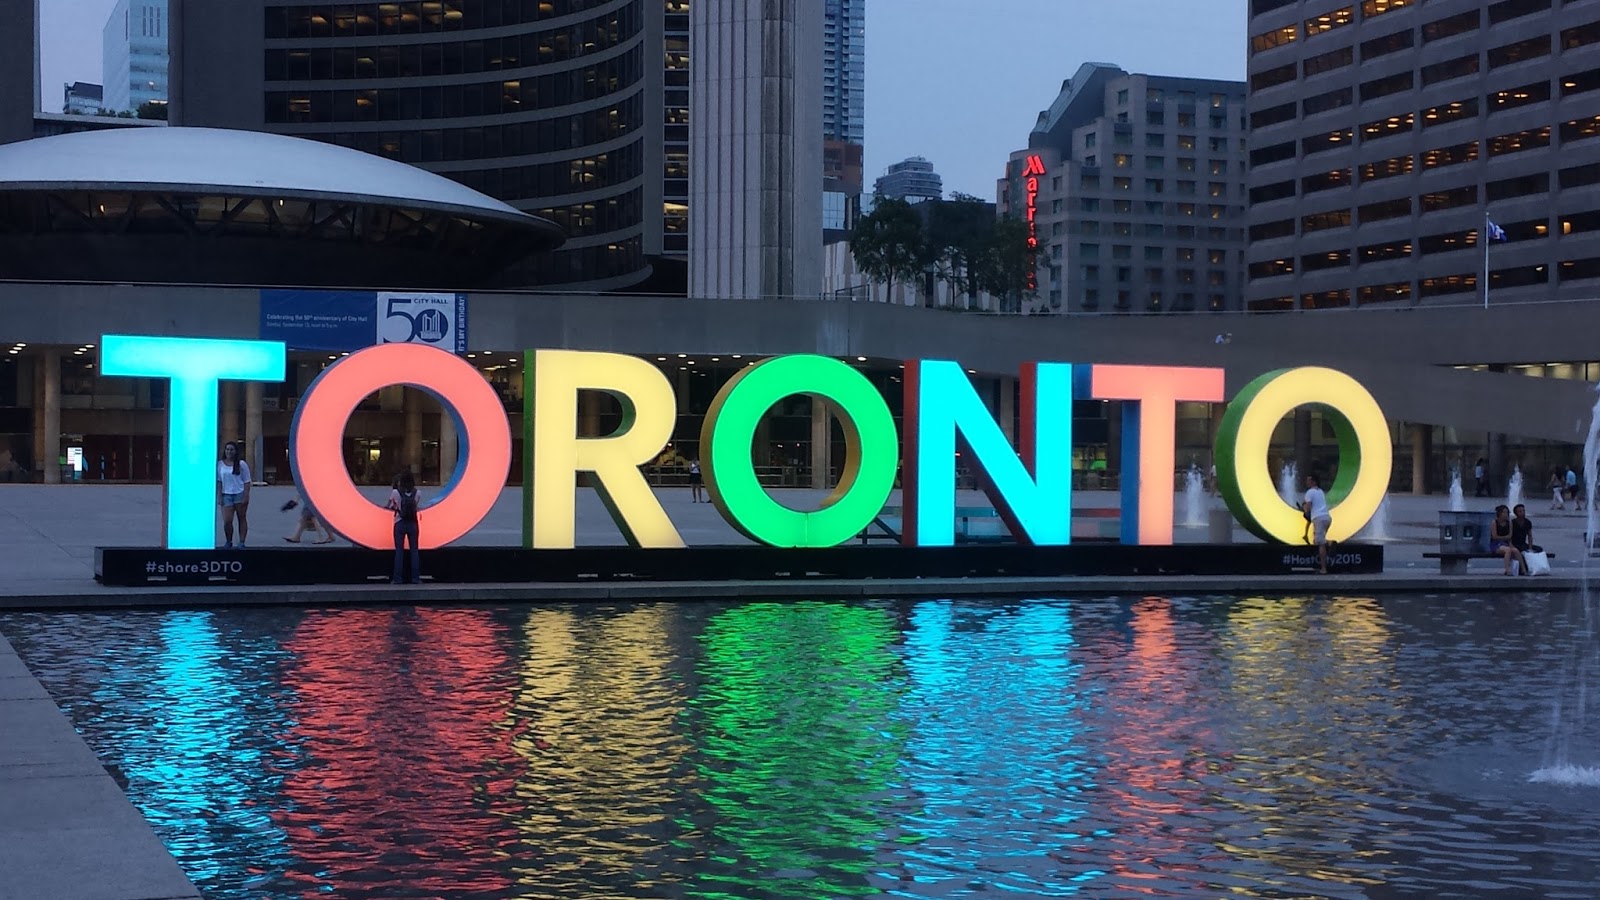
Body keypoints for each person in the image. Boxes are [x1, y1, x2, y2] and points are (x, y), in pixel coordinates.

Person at [387, 469, 422, 584]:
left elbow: (390, 506)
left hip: (399, 523)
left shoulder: (395, 493)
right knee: (414, 551)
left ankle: (397, 578)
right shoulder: (418, 493)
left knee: (399, 551)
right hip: (413, 523)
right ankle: (415, 578)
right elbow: (416, 507)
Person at [217, 441, 251, 548]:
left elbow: (247, 481)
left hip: (239, 494)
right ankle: (229, 541)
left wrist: (246, 495)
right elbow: (219, 481)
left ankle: (241, 542)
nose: (229, 452)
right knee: (227, 520)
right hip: (226, 495)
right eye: (227, 449)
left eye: (232, 449)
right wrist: (219, 496)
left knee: (241, 518)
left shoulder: (241, 464)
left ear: (236, 451)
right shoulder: (220, 464)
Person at [1302, 473, 1332, 575]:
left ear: (1313, 482)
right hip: (1327, 518)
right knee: (1318, 541)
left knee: (1320, 544)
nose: (1306, 482)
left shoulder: (1309, 492)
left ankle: (1323, 569)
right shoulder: (1321, 492)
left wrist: (1304, 509)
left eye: (1308, 480)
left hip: (1318, 518)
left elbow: (1308, 508)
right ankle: (1330, 543)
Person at [1490, 504, 1524, 576]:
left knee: (1515, 550)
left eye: (1507, 512)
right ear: (1499, 513)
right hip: (1496, 544)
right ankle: (1507, 570)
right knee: (1508, 550)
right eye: (1504, 512)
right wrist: (1505, 537)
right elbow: (1494, 536)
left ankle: (1523, 569)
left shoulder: (1509, 523)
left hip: (1506, 543)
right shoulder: (1494, 522)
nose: (1505, 514)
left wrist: (1505, 538)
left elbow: (1510, 536)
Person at [1511, 504, 1535, 576]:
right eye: (1520, 511)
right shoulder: (1512, 523)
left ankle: (1533, 568)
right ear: (1516, 513)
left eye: (1523, 511)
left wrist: (1530, 547)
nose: (1523, 513)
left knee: (1538, 549)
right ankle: (1522, 569)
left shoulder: (1528, 522)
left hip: (1523, 543)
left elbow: (1530, 536)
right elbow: (1509, 536)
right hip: (1515, 543)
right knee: (1521, 550)